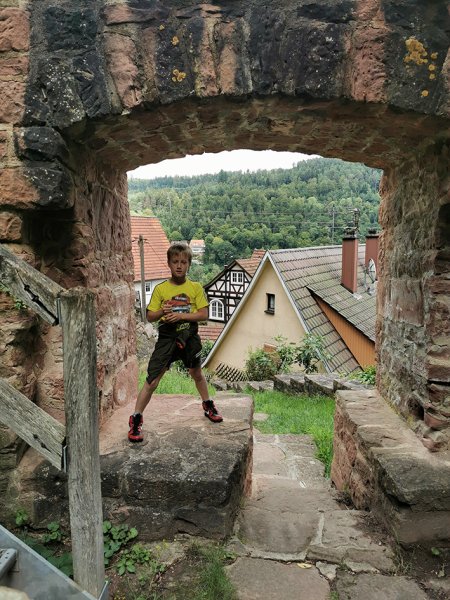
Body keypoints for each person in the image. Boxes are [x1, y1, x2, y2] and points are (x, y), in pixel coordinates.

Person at [128, 242, 223, 442]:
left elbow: (203, 314)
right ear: (169, 263)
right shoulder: (161, 289)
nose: (179, 266)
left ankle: (208, 404)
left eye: (183, 262)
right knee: (153, 379)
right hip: (167, 339)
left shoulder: (195, 288)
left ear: (189, 264)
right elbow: (150, 317)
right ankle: (136, 418)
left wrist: (180, 316)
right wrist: (163, 311)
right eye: (175, 262)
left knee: (196, 373)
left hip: (189, 337)